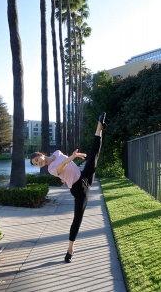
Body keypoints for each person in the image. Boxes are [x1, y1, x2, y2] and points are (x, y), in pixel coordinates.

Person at [30, 112, 107, 263]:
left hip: (84, 176)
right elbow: (62, 165)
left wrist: (68, 172)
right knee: (77, 218)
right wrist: (73, 157)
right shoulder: (51, 169)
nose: (39, 164)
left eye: (37, 160)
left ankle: (100, 127)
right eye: (36, 164)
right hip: (79, 190)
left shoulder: (57, 152)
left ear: (41, 154)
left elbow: (67, 166)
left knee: (94, 154)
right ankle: (70, 248)